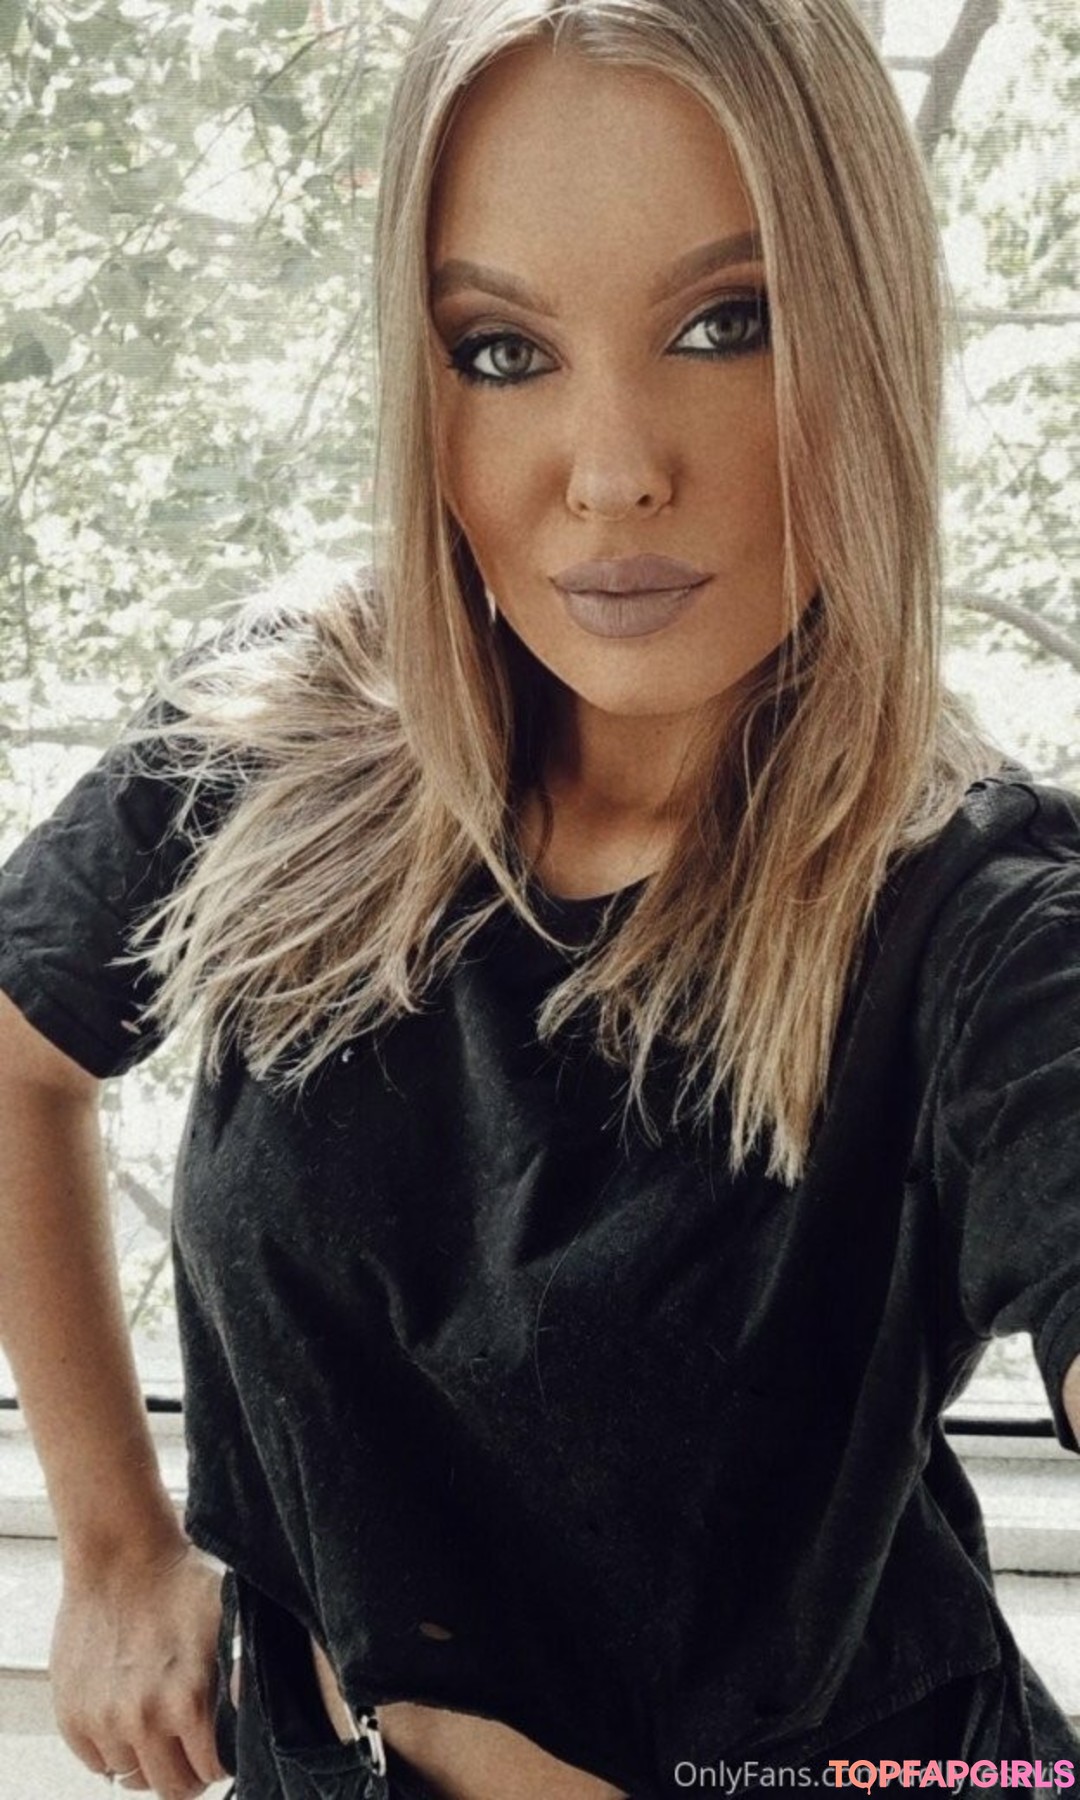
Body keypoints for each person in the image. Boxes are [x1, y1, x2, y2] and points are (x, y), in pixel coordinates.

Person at [0, 0, 1078, 1797]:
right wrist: (112, 1547)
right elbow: (16, 1053)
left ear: (870, 333)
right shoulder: (285, 734)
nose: (613, 468)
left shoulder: (982, 926)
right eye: (503, 351)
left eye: (727, 324)